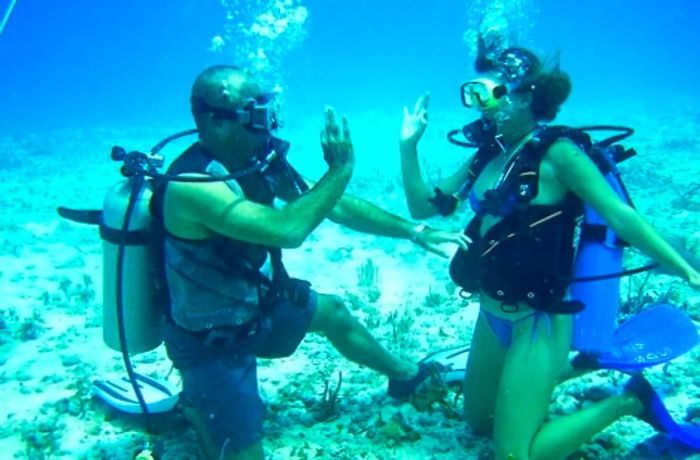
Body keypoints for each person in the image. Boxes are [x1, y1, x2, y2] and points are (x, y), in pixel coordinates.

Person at [398, 39, 700, 459]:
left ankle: (629, 400)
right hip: (491, 313)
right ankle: (577, 368)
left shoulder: (558, 153)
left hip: (537, 319)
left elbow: (621, 217)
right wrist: (408, 146)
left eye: (488, 92)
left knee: (512, 454)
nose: (480, 104)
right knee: (477, 422)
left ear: (525, 98)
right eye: (475, 92)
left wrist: (687, 270)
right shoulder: (490, 153)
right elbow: (424, 206)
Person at [153, 65, 468, 460]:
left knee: (333, 313)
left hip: (256, 306)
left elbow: (327, 203)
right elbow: (288, 229)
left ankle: (405, 377)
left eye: (269, 113)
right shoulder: (192, 185)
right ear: (215, 121)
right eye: (257, 117)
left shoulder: (258, 159)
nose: (268, 126)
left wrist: (413, 231)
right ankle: (198, 409)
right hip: (211, 340)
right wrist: (342, 169)